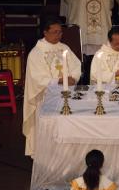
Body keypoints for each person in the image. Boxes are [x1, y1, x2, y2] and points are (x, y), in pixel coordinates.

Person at [23, 19, 81, 157]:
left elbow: (76, 65)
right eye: (55, 32)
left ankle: (64, 154)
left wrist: (73, 77)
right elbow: (37, 78)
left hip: (66, 96)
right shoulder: (36, 53)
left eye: (60, 32)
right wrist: (59, 80)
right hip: (45, 98)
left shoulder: (64, 48)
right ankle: (46, 154)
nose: (58, 35)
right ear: (45, 32)